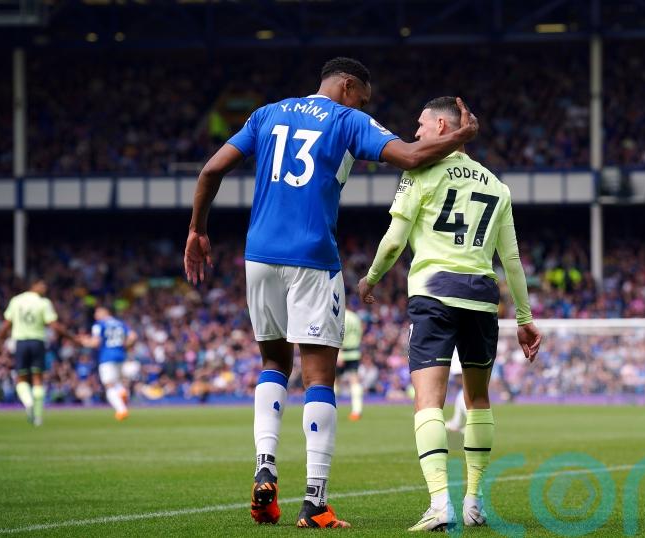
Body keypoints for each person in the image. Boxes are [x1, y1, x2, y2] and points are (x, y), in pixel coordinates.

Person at [183, 58, 478, 529]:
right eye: (363, 97)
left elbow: (210, 171)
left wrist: (197, 230)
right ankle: (315, 500)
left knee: (273, 363)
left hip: (258, 256)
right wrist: (460, 137)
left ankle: (265, 465)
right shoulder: (347, 120)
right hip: (312, 256)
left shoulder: (266, 114)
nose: (364, 105)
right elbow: (411, 156)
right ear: (347, 86)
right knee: (319, 376)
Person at [358, 96, 542, 531]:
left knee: (429, 401)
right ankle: (474, 501)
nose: (415, 132)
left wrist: (370, 278)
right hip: (481, 298)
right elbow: (511, 259)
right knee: (477, 399)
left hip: (434, 295)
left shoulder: (418, 171)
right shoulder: (497, 186)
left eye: (421, 125)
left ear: (443, 126)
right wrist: (524, 318)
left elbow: (392, 241)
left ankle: (441, 503)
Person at [0, 280, 76, 426]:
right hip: (37, 342)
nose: (45, 288)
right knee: (37, 378)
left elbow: (7, 324)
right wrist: (71, 337)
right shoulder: (43, 303)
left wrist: (0, 343)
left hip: (20, 342)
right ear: (33, 286)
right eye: (42, 285)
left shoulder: (16, 300)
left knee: (22, 378)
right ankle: (37, 415)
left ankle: (29, 404)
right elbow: (54, 325)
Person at [79, 307, 137, 421]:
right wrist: (125, 346)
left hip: (106, 356)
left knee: (108, 385)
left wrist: (84, 342)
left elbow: (96, 342)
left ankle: (121, 410)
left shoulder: (99, 324)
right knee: (117, 382)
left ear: (104, 313)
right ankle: (122, 391)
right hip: (120, 355)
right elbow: (133, 336)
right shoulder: (120, 323)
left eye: (97, 312)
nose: (95, 314)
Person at [338, 305, 364, 421]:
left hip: (342, 352)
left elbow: (339, 335)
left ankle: (331, 408)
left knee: (333, 380)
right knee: (354, 380)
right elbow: (360, 333)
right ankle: (356, 411)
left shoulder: (341, 316)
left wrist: (339, 352)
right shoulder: (355, 317)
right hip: (354, 352)